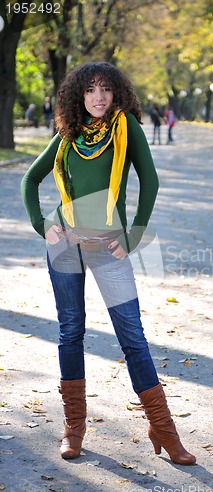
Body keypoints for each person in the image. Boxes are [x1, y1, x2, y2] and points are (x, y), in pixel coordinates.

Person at [20, 62, 195, 465]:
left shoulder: (126, 128)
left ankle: (163, 429)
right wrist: (41, 225)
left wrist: (134, 236)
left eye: (106, 89)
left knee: (132, 336)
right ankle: (74, 428)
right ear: (78, 95)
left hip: (108, 247)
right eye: (91, 89)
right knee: (70, 333)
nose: (99, 97)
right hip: (65, 248)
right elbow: (31, 180)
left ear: (116, 94)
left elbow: (149, 180)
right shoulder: (67, 134)